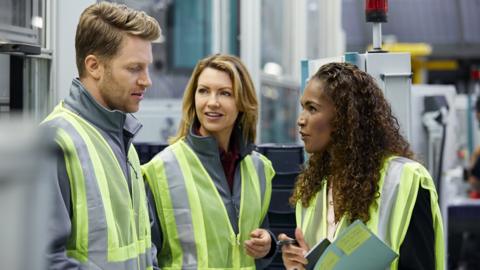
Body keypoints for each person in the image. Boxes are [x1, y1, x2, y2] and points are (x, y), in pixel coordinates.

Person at [279, 62, 445, 270]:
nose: (301, 120)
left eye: (312, 108)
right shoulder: (312, 191)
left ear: (344, 117)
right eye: (302, 107)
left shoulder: (404, 180)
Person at [41, 2, 161, 269]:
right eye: (134, 68)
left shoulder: (122, 138)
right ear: (94, 66)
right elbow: (41, 259)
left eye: (147, 67)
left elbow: (143, 246)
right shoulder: (55, 142)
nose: (147, 80)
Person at [142, 54, 277, 269]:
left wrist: (268, 244)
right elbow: (146, 258)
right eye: (203, 91)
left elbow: (257, 235)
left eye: (225, 93)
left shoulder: (260, 169)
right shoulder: (162, 169)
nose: (212, 102)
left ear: (242, 102)